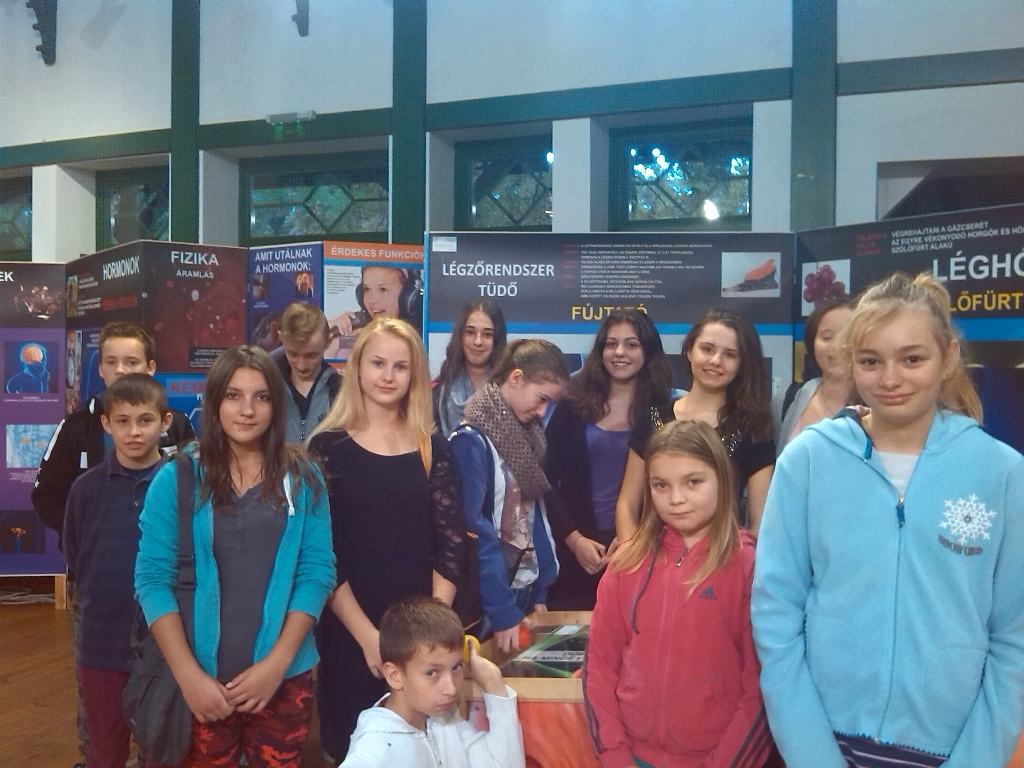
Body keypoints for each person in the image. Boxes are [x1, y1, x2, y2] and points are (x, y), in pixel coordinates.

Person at [751, 273, 1024, 768]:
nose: (890, 379)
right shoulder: (808, 460)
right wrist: (811, 753)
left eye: (912, 359)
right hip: (824, 739)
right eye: (871, 361)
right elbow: (776, 613)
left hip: (953, 746)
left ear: (949, 357)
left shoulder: (1001, 473)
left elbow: (1015, 636)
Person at [134, 345, 335, 768]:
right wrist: (189, 677)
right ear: (214, 402)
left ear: (276, 404)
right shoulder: (177, 478)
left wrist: (277, 665)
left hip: (283, 679)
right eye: (233, 395)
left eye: (261, 397)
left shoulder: (303, 477)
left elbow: (316, 572)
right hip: (200, 684)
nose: (247, 410)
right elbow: (153, 580)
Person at [32, 320, 195, 767]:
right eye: (112, 362)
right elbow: (63, 515)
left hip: (165, 613)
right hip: (100, 610)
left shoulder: (180, 456)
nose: (133, 431)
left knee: (162, 724)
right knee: (102, 729)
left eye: (132, 361)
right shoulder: (78, 439)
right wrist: (89, 558)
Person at [307, 317, 466, 761]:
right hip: (349, 629)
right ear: (357, 367)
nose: (388, 376)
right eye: (378, 363)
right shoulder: (326, 448)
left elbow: (451, 544)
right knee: (353, 747)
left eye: (400, 366)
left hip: (421, 628)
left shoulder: (432, 446)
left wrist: (430, 635)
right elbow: (322, 553)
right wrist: (367, 636)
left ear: (414, 374)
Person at [583, 419, 772, 768]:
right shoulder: (626, 563)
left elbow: (759, 687)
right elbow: (599, 667)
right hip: (633, 757)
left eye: (693, 482)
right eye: (661, 485)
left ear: (722, 479)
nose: (676, 499)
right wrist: (615, 757)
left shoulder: (748, 566)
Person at [62, 374, 174, 768]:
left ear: (165, 422)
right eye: (122, 421)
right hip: (101, 644)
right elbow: (75, 553)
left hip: (166, 648)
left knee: (162, 749)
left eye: (145, 420)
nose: (134, 432)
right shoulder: (85, 489)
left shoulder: (182, 485)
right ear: (106, 424)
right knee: (105, 752)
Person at [544, 309, 674, 610]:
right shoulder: (572, 406)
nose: (619, 352)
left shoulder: (665, 413)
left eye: (631, 344)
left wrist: (633, 540)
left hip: (643, 550)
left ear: (648, 351)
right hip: (575, 554)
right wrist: (574, 540)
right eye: (611, 344)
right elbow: (544, 479)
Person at [449, 339, 570, 652]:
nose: (542, 411)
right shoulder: (470, 441)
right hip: (490, 601)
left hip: (524, 591)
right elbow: (473, 531)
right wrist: (502, 610)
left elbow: (532, 515)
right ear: (516, 378)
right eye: (541, 399)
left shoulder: (528, 436)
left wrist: (539, 589)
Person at [615, 308, 775, 539]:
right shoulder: (651, 419)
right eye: (707, 349)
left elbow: (761, 524)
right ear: (690, 351)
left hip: (722, 554)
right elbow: (627, 504)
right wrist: (631, 554)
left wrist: (738, 560)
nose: (715, 361)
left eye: (730, 355)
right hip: (652, 552)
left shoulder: (753, 429)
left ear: (742, 364)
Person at [339, 597, 526, 768]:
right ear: (395, 675)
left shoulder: (443, 718)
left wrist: (493, 683)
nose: (451, 689)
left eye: (456, 667)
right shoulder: (374, 753)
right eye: (432, 673)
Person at [771, 296, 853, 455]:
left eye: (848, 337)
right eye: (827, 337)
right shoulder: (787, 399)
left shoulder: (881, 402)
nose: (837, 346)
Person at [432, 299, 507, 437]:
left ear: (496, 340)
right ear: (460, 336)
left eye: (487, 334)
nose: (478, 341)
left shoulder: (508, 390)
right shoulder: (439, 390)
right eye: (470, 332)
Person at [272, 302, 342, 444]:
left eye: (311, 356)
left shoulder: (342, 391)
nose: (301, 366)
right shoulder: (267, 385)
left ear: (328, 342)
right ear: (281, 338)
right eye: (293, 354)